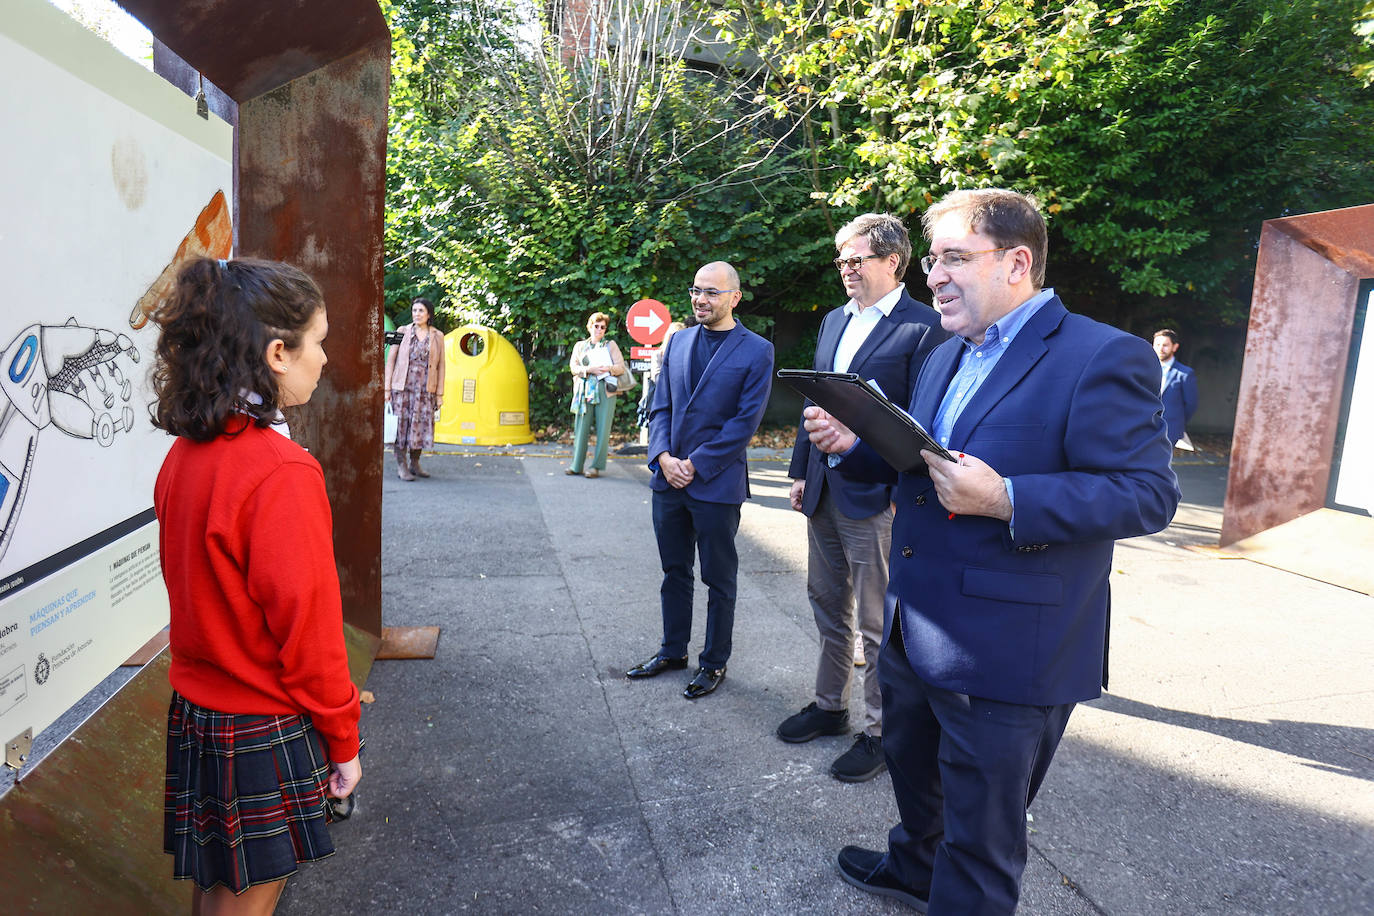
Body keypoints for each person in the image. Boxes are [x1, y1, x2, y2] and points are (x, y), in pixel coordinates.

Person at [805, 190, 1179, 913]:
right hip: (916, 629)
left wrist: (1009, 497)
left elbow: (1147, 495)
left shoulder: (1102, 355)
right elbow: (925, 469)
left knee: (981, 841)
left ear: (1017, 262)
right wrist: (857, 447)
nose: (935, 276)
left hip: (1008, 653)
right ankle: (915, 869)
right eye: (933, 261)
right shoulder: (947, 353)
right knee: (917, 784)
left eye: (954, 258)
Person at [150, 257, 362, 914]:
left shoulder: (185, 455)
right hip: (260, 724)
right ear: (276, 353)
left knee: (213, 891)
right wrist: (344, 741)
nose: (324, 359)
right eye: (317, 342)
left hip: (200, 714)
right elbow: (310, 633)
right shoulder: (279, 471)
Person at [780, 213, 948, 783]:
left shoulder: (924, 328)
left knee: (877, 623)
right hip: (825, 488)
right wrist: (802, 469)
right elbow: (816, 402)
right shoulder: (833, 321)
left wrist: (906, 487)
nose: (845, 268)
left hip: (877, 495)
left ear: (893, 262)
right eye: (840, 259)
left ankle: (880, 733)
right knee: (828, 606)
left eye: (855, 259)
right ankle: (830, 708)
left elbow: (923, 423)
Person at [626, 262, 773, 699]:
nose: (700, 299)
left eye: (711, 292)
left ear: (735, 297)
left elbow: (743, 424)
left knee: (718, 578)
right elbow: (661, 407)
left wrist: (696, 464)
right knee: (674, 572)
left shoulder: (757, 349)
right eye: (695, 290)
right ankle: (673, 651)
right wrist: (663, 457)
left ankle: (713, 662)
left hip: (716, 483)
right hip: (667, 480)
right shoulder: (678, 341)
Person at [384, 297, 445, 481]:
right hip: (402, 388)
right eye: (414, 310)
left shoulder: (437, 336)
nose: (416, 314)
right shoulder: (402, 331)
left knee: (420, 426)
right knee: (402, 426)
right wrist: (387, 389)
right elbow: (391, 360)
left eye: (420, 311)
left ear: (429, 314)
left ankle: (415, 463)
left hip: (426, 389)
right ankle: (401, 465)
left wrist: (440, 394)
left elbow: (441, 365)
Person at [566, 311, 628, 479]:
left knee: (603, 429)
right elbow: (574, 368)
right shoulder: (580, 346)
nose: (599, 329)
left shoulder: (610, 345)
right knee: (581, 428)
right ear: (589, 327)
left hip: (605, 389)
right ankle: (576, 465)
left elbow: (620, 367)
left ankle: (596, 467)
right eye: (596, 326)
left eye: (602, 327)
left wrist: (608, 368)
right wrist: (589, 370)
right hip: (584, 390)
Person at [1152, 328, 1200, 449]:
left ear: (1175, 347)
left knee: (1159, 465)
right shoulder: (1144, 370)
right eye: (1157, 344)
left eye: (1165, 345)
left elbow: (1191, 405)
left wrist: (1176, 421)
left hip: (1170, 431)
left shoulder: (1185, 374)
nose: (1160, 349)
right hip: (1143, 428)